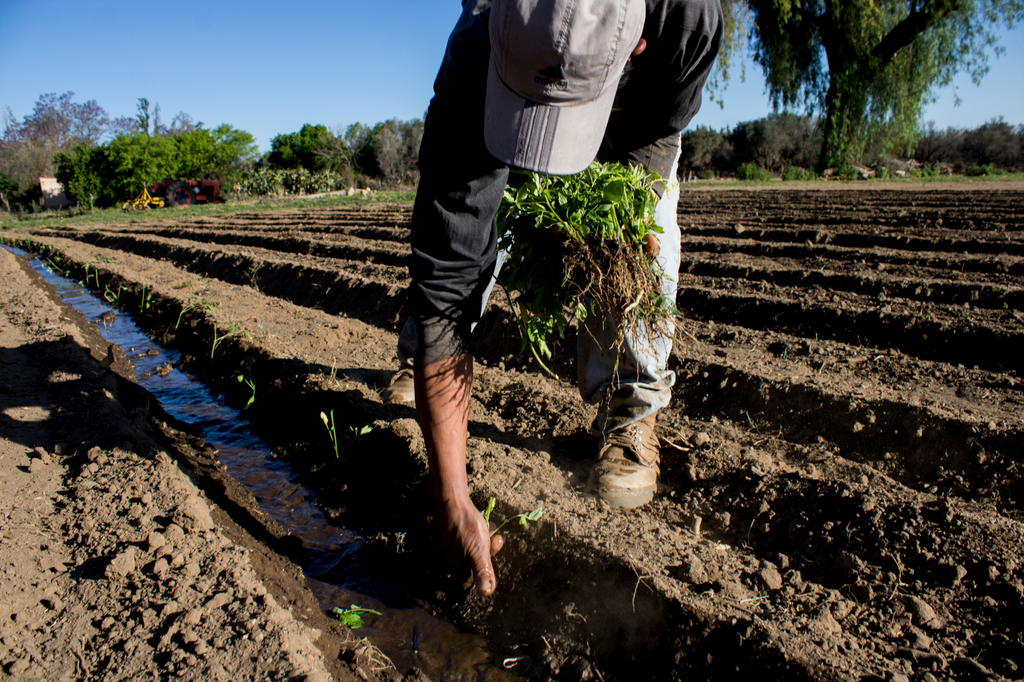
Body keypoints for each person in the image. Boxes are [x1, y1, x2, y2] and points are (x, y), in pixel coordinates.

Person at [384, 0, 722, 595]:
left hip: (632, 108)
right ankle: (427, 365)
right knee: (475, 232)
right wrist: (451, 497)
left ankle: (629, 406)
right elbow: (446, 270)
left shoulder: (686, 21)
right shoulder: (477, 47)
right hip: (492, 88)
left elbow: (658, 132)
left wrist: (629, 216)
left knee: (641, 236)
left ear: (635, 44)